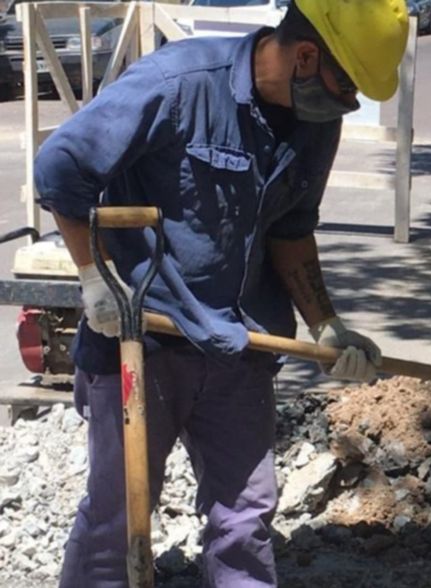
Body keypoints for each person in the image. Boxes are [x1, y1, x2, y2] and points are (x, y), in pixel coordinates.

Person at [34, 0, 408, 585]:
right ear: (306, 55)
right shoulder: (177, 84)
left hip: (241, 344)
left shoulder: (316, 122)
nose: (349, 102)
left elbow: (292, 227)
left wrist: (326, 325)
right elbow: (62, 168)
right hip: (142, 334)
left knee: (246, 516)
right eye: (347, 84)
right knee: (119, 515)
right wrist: (94, 280)